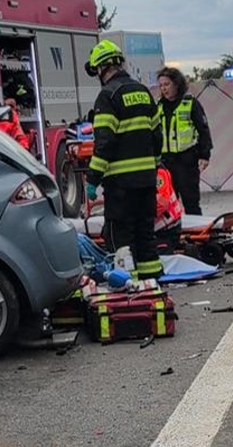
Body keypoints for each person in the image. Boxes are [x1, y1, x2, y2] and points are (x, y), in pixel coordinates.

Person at [83, 39, 163, 282]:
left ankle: (128, 288)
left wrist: (92, 179)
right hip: (147, 181)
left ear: (102, 68)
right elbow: (156, 136)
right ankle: (152, 286)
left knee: (120, 239)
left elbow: (104, 142)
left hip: (120, 185)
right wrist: (153, 166)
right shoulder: (143, 92)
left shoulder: (107, 96)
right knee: (145, 235)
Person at [154, 66, 212, 216]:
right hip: (165, 162)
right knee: (166, 203)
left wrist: (205, 155)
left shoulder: (190, 103)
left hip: (186, 161)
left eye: (167, 84)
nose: (163, 89)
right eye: (161, 85)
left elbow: (203, 130)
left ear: (176, 84)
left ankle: (196, 235)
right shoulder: (159, 106)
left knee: (191, 202)